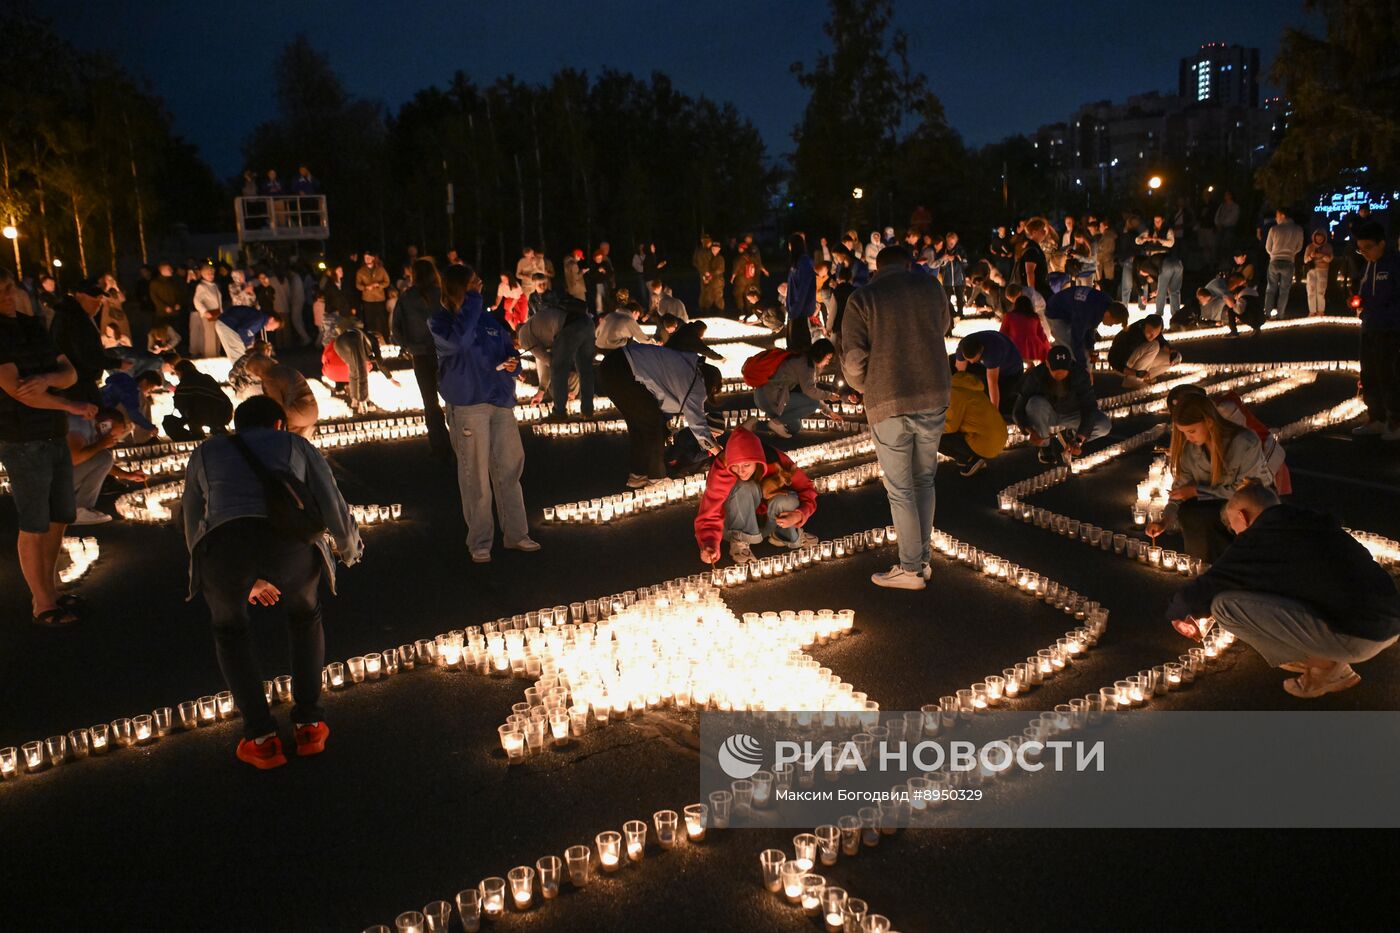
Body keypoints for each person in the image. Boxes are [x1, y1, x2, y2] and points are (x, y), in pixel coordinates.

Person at [181, 395, 361, 769]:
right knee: (304, 617)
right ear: (279, 423)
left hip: (225, 548)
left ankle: (261, 739)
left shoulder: (207, 452)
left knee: (230, 632)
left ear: (238, 425)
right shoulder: (295, 444)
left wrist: (218, 571)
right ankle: (310, 725)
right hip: (289, 545)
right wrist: (348, 548)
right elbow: (330, 499)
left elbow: (193, 514)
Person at [1166, 484, 1399, 697]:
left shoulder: (1259, 536)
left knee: (1224, 606)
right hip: (1389, 623)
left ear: (1242, 516)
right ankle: (1313, 655)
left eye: (1235, 528)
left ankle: (1328, 667)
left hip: (1357, 635)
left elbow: (1213, 583)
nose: (1237, 535)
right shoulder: (1308, 524)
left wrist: (1180, 612)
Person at [841, 245, 950, 590]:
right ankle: (922, 561)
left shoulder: (863, 299)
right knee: (924, 481)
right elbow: (944, 326)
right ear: (908, 264)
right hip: (933, 392)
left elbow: (855, 356)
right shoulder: (931, 287)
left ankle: (910, 569)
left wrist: (862, 385)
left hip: (888, 398)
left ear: (877, 268)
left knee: (900, 489)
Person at [0, 267, 100, 626]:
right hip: (22, 438)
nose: (6, 297)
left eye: (8, 289)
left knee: (59, 517)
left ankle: (52, 589)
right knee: (34, 522)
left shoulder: (32, 325)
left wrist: (45, 379)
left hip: (53, 434)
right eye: (0, 292)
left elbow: (68, 371)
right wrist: (69, 404)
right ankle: (41, 602)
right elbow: (17, 392)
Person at [431, 264, 538, 563]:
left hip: (500, 400)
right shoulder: (442, 321)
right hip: (468, 404)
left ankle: (516, 534)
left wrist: (514, 363)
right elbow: (459, 344)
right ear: (459, 288)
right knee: (474, 475)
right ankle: (480, 541)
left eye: (479, 281)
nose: (481, 285)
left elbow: (508, 350)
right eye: (474, 283)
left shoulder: (491, 320)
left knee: (509, 469)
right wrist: (473, 302)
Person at [1146, 395, 1273, 562]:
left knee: (1227, 516)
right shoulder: (1189, 450)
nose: (1188, 438)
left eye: (1192, 431)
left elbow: (1249, 491)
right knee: (1189, 513)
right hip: (1214, 500)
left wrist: (1197, 491)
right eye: (1183, 433)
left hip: (1253, 501)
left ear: (1209, 422)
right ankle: (1202, 567)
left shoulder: (1244, 442)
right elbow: (1178, 493)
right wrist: (1165, 520)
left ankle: (1235, 565)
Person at [597, 338, 721, 489]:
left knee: (639, 426)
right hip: (623, 370)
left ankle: (638, 475)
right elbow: (698, 426)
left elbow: (661, 396)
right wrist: (720, 453)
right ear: (713, 387)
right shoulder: (696, 382)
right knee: (652, 427)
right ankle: (657, 478)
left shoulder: (688, 368)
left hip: (612, 367)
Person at [694, 426, 818, 566]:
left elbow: (807, 489)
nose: (741, 471)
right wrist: (709, 542)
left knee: (788, 498)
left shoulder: (775, 459)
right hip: (733, 520)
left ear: (757, 459)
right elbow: (710, 510)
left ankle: (783, 533)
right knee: (744, 485)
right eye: (735, 466)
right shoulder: (722, 466)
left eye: (746, 464)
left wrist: (799, 515)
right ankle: (740, 542)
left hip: (765, 515)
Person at [390, 258, 452, 462]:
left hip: (420, 355)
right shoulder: (443, 293)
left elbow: (396, 327)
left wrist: (407, 345)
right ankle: (461, 440)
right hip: (445, 352)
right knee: (453, 395)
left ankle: (439, 445)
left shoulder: (406, 297)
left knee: (430, 401)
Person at [1014, 345, 1112, 465]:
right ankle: (1045, 447)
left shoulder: (1080, 375)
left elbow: (1090, 408)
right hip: (1047, 415)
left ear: (1070, 365)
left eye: (1063, 372)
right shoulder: (1035, 376)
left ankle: (1072, 436)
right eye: (1056, 372)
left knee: (1104, 425)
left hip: (1073, 414)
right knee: (1035, 403)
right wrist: (1030, 431)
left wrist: (1079, 440)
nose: (1059, 377)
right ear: (1047, 364)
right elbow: (1017, 410)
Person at [1350, 221, 1400, 439]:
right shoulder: (1368, 265)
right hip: (1369, 327)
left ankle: (1396, 421)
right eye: (1360, 249)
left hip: (1390, 329)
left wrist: (1381, 311)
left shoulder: (1394, 264)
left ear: (1382, 243)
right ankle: (1376, 418)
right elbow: (1365, 292)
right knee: (1369, 373)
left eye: (1368, 247)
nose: (1365, 253)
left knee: (1388, 374)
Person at [67, 407, 146, 525]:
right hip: (51, 481)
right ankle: (80, 510)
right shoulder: (81, 425)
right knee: (104, 456)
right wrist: (101, 444)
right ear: (107, 424)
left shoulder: (92, 428)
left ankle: (79, 509)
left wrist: (128, 475)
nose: (115, 440)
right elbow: (74, 458)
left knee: (103, 456)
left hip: (59, 477)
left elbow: (95, 463)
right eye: (114, 435)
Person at [750, 339, 843, 438]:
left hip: (767, 396)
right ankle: (776, 422)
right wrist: (829, 396)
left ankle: (755, 425)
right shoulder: (805, 365)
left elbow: (809, 392)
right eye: (827, 358)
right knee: (813, 404)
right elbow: (810, 392)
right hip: (770, 397)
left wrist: (830, 413)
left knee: (794, 427)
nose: (827, 362)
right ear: (821, 354)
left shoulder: (803, 360)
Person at [941, 369, 1008, 477]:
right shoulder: (974, 389)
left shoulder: (955, 392)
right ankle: (974, 457)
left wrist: (929, 427)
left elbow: (950, 427)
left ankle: (969, 458)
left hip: (985, 444)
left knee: (935, 437)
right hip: (1000, 440)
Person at [548, 292, 597, 422]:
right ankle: (587, 410)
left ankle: (559, 411)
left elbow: (553, 332)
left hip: (572, 328)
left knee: (559, 368)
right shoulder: (571, 309)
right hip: (588, 324)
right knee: (586, 369)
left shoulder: (551, 312)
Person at [1044, 283, 1119, 366]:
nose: (1111, 325)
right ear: (1108, 314)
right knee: (1068, 348)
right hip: (1055, 311)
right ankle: (1067, 371)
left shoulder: (1106, 305)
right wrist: (1082, 365)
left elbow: (1090, 329)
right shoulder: (1087, 311)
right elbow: (1076, 338)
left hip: (1069, 310)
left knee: (1082, 349)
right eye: (1113, 322)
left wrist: (1090, 349)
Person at [245, 356, 318, 440]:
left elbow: (276, 405)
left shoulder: (269, 378)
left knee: (286, 439)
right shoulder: (285, 369)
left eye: (250, 374)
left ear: (257, 370)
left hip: (297, 413)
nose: (252, 378)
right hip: (312, 411)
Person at [954, 331, 1023, 418]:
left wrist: (994, 413)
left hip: (1010, 373)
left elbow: (993, 384)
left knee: (1001, 405)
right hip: (985, 364)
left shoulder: (992, 352)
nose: (971, 362)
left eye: (973, 360)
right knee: (952, 363)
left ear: (981, 351)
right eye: (968, 359)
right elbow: (959, 375)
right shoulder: (963, 347)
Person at [164, 359, 233, 439]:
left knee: (170, 422)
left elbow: (179, 404)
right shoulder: (207, 378)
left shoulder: (184, 385)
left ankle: (196, 438)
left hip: (201, 417)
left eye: (178, 374)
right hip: (224, 413)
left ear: (181, 372)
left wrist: (186, 415)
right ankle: (218, 430)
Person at [1108, 313, 1180, 388]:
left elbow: (1162, 341)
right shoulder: (1131, 335)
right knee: (1154, 345)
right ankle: (1132, 381)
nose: (1152, 336)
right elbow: (1114, 361)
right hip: (1123, 365)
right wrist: (1135, 373)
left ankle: (1145, 377)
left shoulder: (1154, 330)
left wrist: (1172, 351)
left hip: (1139, 361)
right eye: (1149, 333)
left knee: (1170, 359)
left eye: (1156, 333)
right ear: (1143, 326)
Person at [100, 369, 162, 442]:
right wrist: (151, 428)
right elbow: (134, 414)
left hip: (99, 416)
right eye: (150, 389)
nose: (149, 393)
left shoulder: (123, 382)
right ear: (144, 382)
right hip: (106, 420)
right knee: (130, 425)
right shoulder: (133, 391)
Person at [213, 293, 279, 362]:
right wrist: (247, 345)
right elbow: (244, 331)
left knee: (237, 355)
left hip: (225, 323)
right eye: (275, 327)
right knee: (239, 356)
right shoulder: (260, 319)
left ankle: (238, 371)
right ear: (272, 319)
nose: (272, 330)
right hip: (228, 325)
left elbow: (247, 331)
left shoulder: (258, 317)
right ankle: (240, 372)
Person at [1264, 208, 1304, 319]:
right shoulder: (1298, 229)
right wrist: (1291, 254)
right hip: (1289, 261)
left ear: (1283, 215)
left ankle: (1267, 312)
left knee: (1271, 288)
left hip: (1275, 261)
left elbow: (1268, 247)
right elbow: (1299, 247)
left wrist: (1273, 254)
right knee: (1284, 290)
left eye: (1277, 215)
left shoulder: (1274, 229)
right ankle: (1280, 314)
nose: (1276, 218)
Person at [999, 294, 1051, 364]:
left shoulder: (1009, 316)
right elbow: (1041, 334)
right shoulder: (1034, 317)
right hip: (1034, 347)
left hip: (1015, 347)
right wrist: (1047, 348)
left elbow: (1002, 333)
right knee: (1032, 365)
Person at [785, 234, 816, 351]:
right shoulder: (797, 262)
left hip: (799, 310)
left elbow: (803, 289)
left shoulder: (804, 262)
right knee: (793, 342)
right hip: (794, 309)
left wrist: (796, 309)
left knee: (799, 343)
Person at [355, 251, 391, 341]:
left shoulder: (381, 269)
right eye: (365, 258)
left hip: (379, 299)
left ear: (373, 258)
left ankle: (385, 339)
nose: (367, 259)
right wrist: (366, 287)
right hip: (368, 299)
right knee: (369, 321)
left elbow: (387, 282)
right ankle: (370, 340)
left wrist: (379, 285)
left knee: (382, 320)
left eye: (368, 257)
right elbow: (358, 285)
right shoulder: (361, 271)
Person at [1302, 229, 1333, 317]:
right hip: (1311, 270)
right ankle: (1312, 311)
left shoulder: (1328, 247)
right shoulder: (1310, 247)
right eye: (1317, 238)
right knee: (1311, 290)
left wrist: (1322, 256)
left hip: (1323, 270)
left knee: (1321, 291)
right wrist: (1311, 256)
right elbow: (1305, 260)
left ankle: (1321, 310)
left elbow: (1329, 259)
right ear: (1314, 238)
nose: (1319, 240)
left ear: (1324, 238)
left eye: (1321, 239)